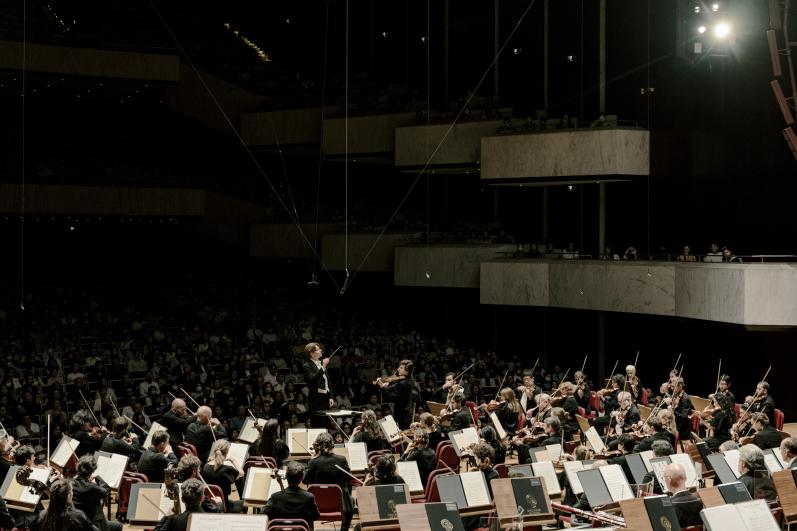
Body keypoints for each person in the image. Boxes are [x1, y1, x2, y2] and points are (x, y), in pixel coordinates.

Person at [303, 432, 353, 531]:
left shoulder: (314, 462)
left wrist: (312, 461)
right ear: (332, 444)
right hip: (338, 504)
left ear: (318, 446)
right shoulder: (341, 460)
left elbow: (305, 481)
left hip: (317, 505)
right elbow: (348, 479)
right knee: (351, 500)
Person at [263, 461, 320, 530]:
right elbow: (315, 516)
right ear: (302, 478)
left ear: (286, 476)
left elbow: (264, 513)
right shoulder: (309, 497)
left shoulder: (275, 497)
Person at [71, 455, 123, 531]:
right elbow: (106, 490)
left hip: (78, 523)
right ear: (91, 471)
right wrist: (98, 478)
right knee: (118, 525)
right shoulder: (91, 487)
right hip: (93, 524)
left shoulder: (70, 483)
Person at [202, 440, 245, 513]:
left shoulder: (205, 467)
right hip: (225, 505)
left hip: (210, 504)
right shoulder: (226, 469)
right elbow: (241, 473)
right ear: (226, 452)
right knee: (244, 503)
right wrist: (232, 459)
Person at [376, 360, 417, 430]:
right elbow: (399, 379)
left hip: (401, 415)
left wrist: (383, 387)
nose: (398, 369)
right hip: (407, 413)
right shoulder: (411, 380)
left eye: (401, 368)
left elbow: (389, 398)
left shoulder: (402, 384)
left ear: (407, 371)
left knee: (402, 433)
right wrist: (390, 382)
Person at [303, 343, 334, 429]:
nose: (320, 350)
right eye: (317, 349)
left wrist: (330, 396)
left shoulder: (320, 364)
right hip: (316, 399)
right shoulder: (306, 366)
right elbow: (313, 379)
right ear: (311, 353)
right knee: (318, 424)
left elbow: (328, 382)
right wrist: (323, 366)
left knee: (326, 424)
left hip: (325, 398)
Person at [663, 463, 703, 527]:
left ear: (669, 480)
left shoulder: (668, 507)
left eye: (664, 478)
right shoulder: (701, 501)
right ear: (685, 478)